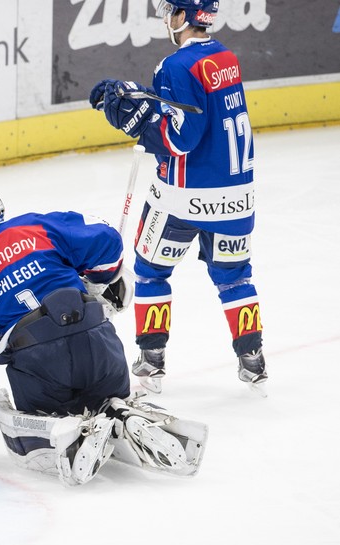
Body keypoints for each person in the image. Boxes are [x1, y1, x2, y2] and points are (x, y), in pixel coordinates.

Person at [0, 184, 208, 486]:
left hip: (39, 365)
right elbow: (106, 240)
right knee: (107, 396)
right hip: (100, 344)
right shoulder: (37, 224)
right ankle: (120, 414)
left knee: (24, 446)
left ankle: (67, 435)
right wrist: (102, 279)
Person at [88, 0, 268, 395]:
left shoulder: (173, 66)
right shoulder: (226, 57)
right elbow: (198, 112)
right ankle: (252, 359)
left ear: (185, 16)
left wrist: (137, 124)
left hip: (182, 198)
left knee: (151, 270)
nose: (165, 16)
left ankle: (152, 359)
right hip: (237, 196)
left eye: (171, 9)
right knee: (236, 278)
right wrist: (152, 102)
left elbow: (180, 138)